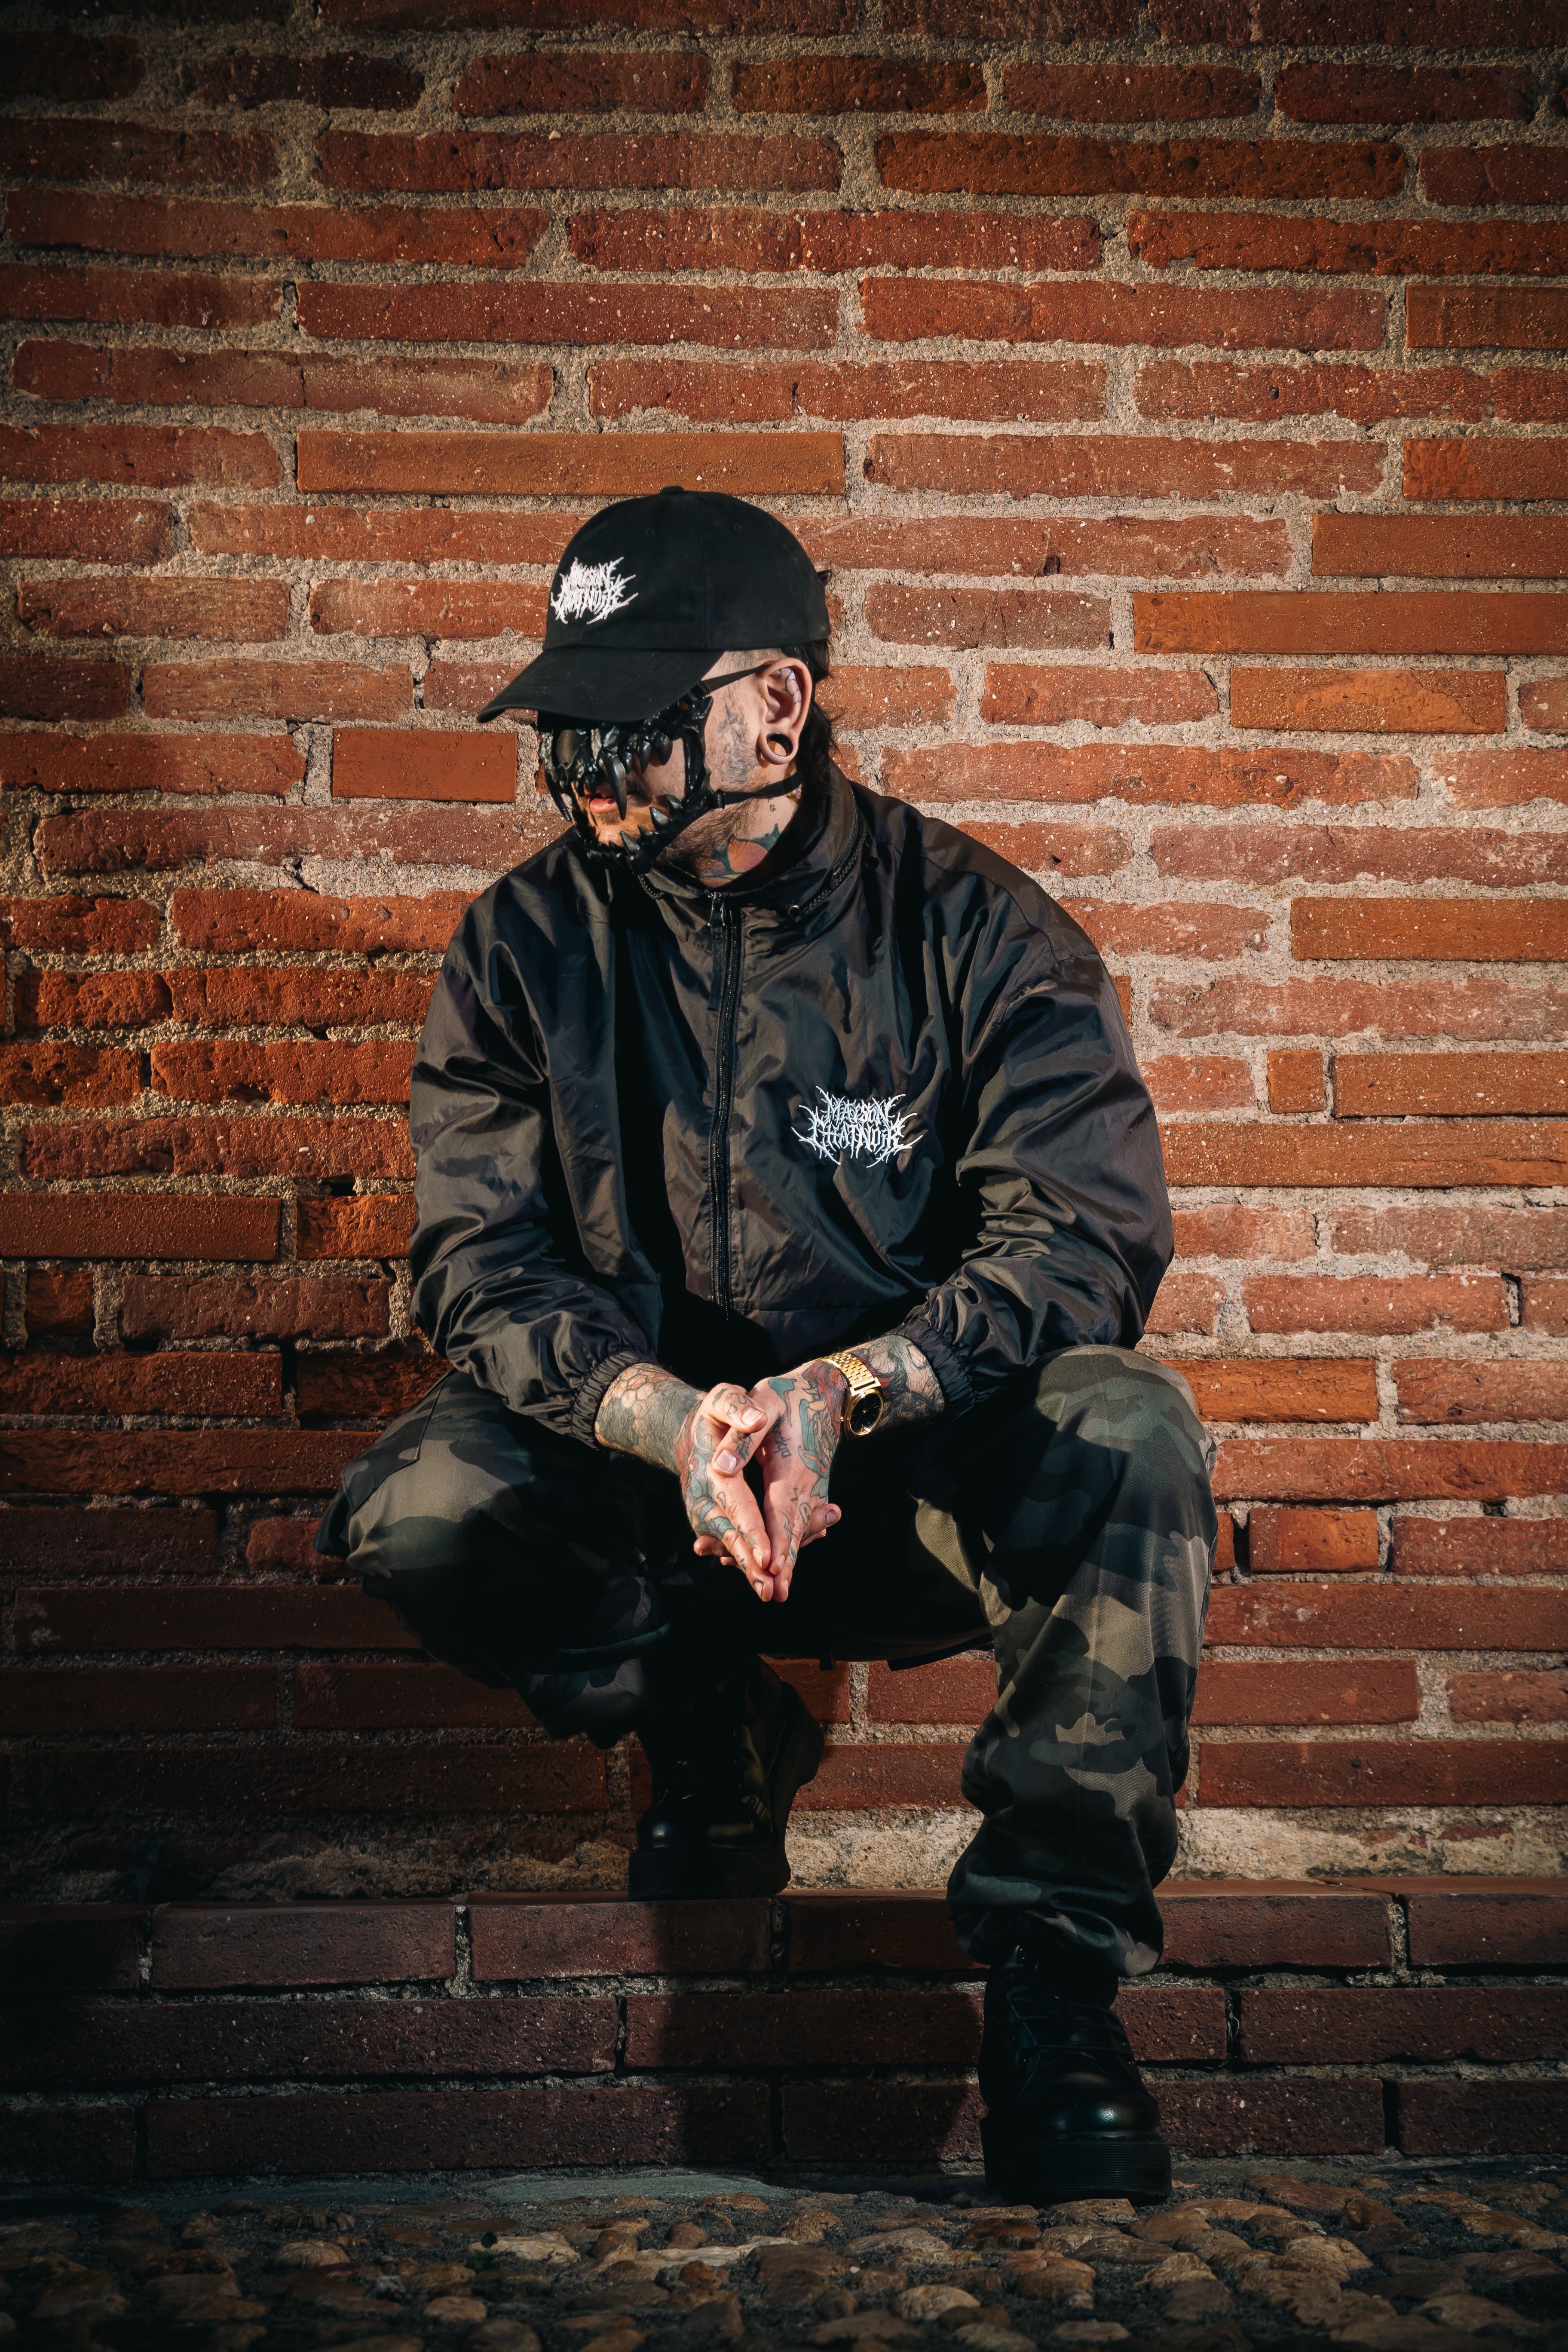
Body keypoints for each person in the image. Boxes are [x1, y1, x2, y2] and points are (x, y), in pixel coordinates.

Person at [317, 488, 1217, 2204]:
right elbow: (479, 1261)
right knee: (419, 1501)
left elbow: (1083, 1236)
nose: (588, 770)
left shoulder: (980, 932)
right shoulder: (524, 945)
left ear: (776, 708)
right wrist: (670, 1423)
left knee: (1133, 1429)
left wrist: (837, 1394)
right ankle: (703, 1710)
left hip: (908, 1484)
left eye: (637, 724)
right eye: (566, 723)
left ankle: (1054, 1992)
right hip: (650, 1487)